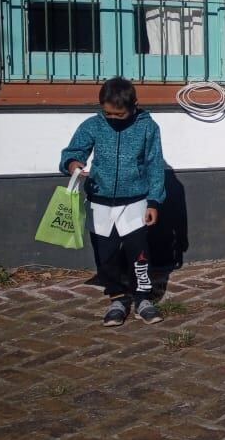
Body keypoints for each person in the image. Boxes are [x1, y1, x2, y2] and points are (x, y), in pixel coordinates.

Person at [60, 77, 166, 327]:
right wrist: (74, 164)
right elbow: (73, 152)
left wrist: (154, 201)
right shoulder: (93, 125)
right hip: (100, 202)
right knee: (105, 255)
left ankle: (142, 298)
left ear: (134, 106)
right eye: (108, 114)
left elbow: (154, 166)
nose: (114, 119)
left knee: (139, 254)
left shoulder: (148, 128)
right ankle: (117, 298)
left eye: (120, 115)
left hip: (136, 201)